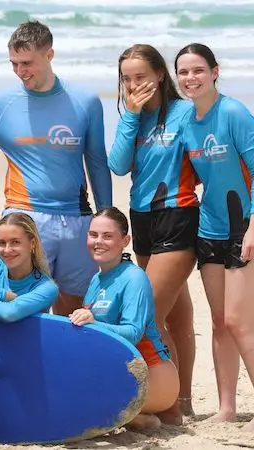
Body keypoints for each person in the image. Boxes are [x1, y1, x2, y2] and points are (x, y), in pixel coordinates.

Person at [0, 20, 112, 316]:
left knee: (75, 313)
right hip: (25, 216)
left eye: (27, 63)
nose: (21, 72)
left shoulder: (85, 102)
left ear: (50, 54)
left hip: (76, 218)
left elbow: (96, 161)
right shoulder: (0, 105)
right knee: (24, 311)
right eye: (14, 64)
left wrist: (106, 218)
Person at [108, 43, 198, 422]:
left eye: (141, 77)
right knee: (178, 319)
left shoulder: (186, 113)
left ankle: (168, 406)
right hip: (141, 219)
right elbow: (117, 164)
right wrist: (130, 114)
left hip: (177, 216)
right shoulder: (133, 116)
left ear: (161, 75)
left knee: (149, 318)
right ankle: (186, 399)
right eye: (127, 79)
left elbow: (213, 160)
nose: (133, 85)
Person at [176, 43, 254, 431]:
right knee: (221, 321)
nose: (190, 78)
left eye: (198, 70)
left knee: (241, 321)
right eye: (184, 72)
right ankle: (226, 408)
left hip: (244, 226)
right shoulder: (187, 121)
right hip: (209, 229)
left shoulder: (234, 112)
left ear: (215, 71)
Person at [69, 207, 179, 430]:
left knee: (83, 402)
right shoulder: (96, 280)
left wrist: (94, 323)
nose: (99, 241)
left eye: (108, 236)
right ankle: (127, 416)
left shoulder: (134, 277)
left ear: (125, 240)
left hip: (154, 374)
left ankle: (140, 419)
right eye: (93, 235)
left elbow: (133, 332)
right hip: (119, 371)